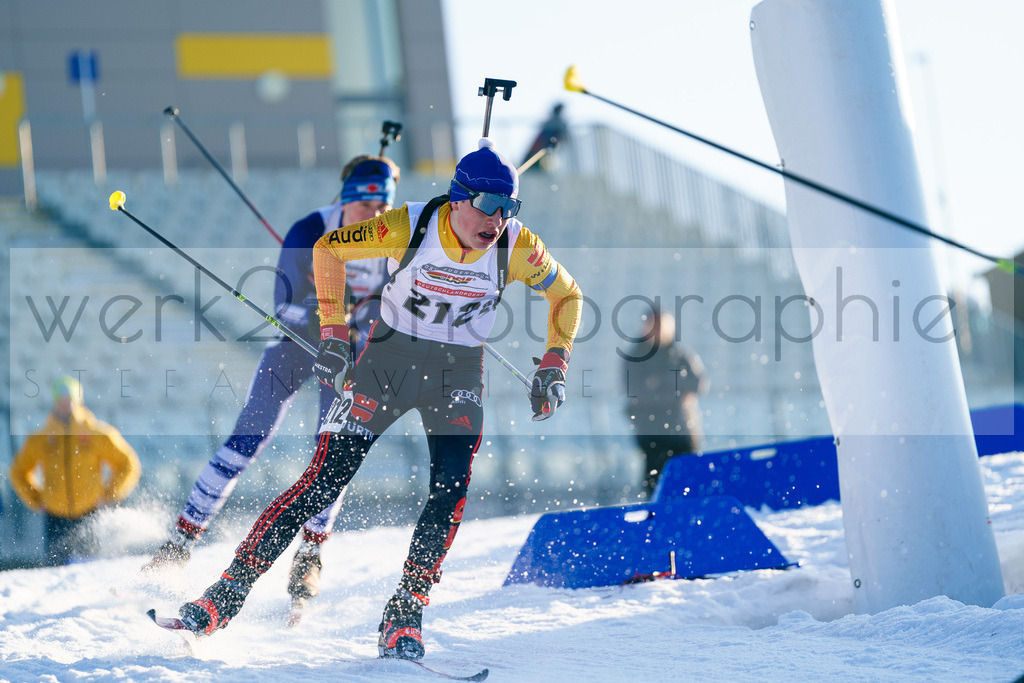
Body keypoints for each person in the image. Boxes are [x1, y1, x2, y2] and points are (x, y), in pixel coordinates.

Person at [173, 139, 583, 660]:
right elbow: (329, 249)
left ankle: (405, 612)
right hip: (387, 361)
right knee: (325, 481)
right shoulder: (407, 225)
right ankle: (227, 592)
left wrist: (555, 361)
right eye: (487, 205)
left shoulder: (517, 246)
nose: (497, 220)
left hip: (456, 370)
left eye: (509, 208)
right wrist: (334, 332)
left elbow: (568, 295)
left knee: (450, 489)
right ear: (457, 199)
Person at [145, 155, 401, 611]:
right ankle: (181, 541)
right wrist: (329, 314)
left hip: (347, 354)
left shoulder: (390, 235)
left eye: (385, 207)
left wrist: (367, 320)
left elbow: (390, 305)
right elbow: (284, 303)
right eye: (369, 206)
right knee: (247, 437)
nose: (377, 218)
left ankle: (310, 553)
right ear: (348, 198)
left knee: (333, 452)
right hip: (298, 344)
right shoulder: (310, 230)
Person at [9, 375, 141, 565]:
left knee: (89, 573)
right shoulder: (41, 438)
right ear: (55, 402)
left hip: (89, 514)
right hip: (55, 517)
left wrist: (110, 493)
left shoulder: (97, 433)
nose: (65, 405)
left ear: (78, 401)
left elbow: (128, 463)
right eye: (61, 401)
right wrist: (36, 498)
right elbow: (18, 471)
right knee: (56, 572)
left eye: (69, 400)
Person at [622, 308, 706, 497]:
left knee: (688, 482)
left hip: (682, 431)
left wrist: (660, 384)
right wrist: (675, 390)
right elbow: (637, 390)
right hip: (652, 433)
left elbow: (698, 383)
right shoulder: (636, 356)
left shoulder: (680, 354)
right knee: (656, 484)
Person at [521, 103, 569, 171]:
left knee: (539, 157)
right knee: (535, 156)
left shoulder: (556, 121)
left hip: (546, 142)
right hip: (544, 141)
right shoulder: (556, 121)